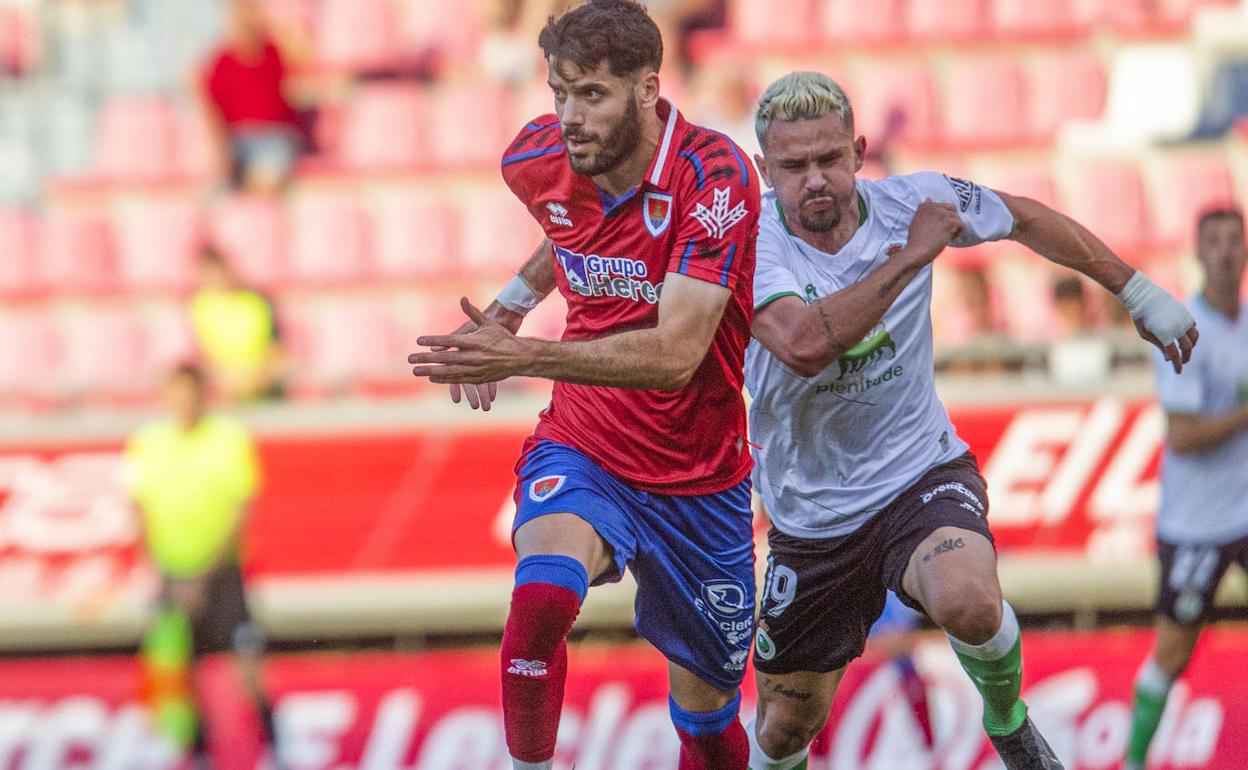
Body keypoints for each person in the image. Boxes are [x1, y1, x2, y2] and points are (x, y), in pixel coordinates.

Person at [740, 71, 1198, 770]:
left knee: (971, 602)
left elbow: (1026, 216)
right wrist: (916, 255)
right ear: (764, 168)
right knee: (781, 731)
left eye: (830, 158)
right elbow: (804, 345)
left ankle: (1009, 721)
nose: (816, 180)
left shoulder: (910, 200)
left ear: (859, 151)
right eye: (795, 166)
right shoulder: (751, 244)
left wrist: (1133, 288)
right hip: (811, 520)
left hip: (916, 474)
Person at [406, 2, 760, 768]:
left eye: (592, 95)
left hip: (699, 478)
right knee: (540, 604)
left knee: (707, 725)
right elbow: (564, 227)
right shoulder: (534, 157)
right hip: (587, 442)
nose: (568, 115)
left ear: (647, 89)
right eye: (558, 92)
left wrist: (522, 356)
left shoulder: (715, 176)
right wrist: (509, 306)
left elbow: (676, 355)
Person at [1123, 206, 1247, 770]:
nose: (1225, 251)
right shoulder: (1184, 330)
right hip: (1197, 525)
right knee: (1172, 655)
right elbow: (1184, 434)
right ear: (1198, 254)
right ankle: (1134, 761)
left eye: (1233, 241)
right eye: (1214, 242)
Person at [124, 364, 278, 767]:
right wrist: (159, 568)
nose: (183, 401)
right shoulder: (148, 441)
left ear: (202, 394)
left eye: (190, 392)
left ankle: (277, 752)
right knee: (180, 674)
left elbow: (240, 511)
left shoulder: (228, 438)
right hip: (172, 574)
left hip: (222, 573)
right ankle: (198, 757)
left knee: (248, 671)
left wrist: (203, 573)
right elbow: (138, 507)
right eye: (175, 392)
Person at [200, 0, 303, 193]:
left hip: (275, 138)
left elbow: (303, 55)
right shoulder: (220, 61)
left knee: (266, 178)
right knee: (218, 187)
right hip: (237, 141)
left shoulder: (274, 50)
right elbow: (211, 112)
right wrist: (222, 155)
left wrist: (270, 25)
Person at [188, 249, 285, 404]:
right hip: (223, 390)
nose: (216, 279)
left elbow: (276, 349)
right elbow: (199, 357)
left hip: (261, 386)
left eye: (218, 272)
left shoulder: (257, 302)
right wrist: (222, 382)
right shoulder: (199, 308)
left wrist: (254, 380)